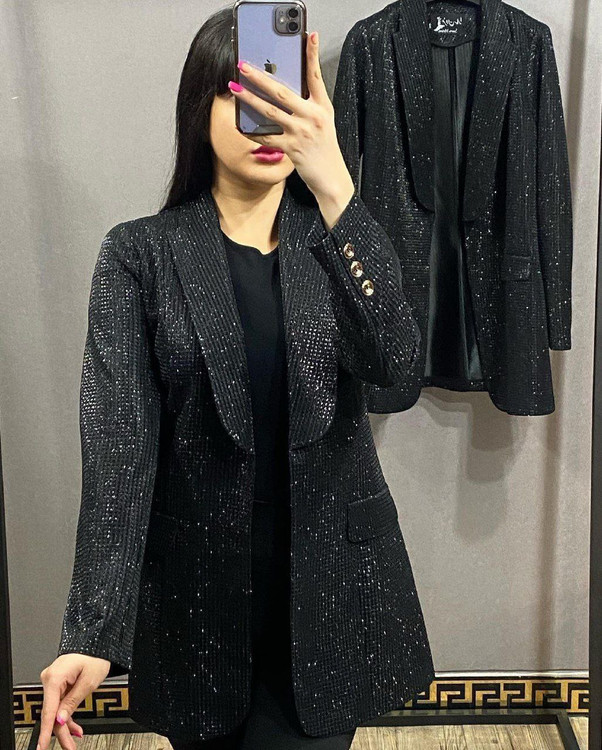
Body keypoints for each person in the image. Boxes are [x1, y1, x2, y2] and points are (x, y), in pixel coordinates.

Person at [38, 6, 434, 750]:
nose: (269, 121)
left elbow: (397, 371)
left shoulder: (337, 243)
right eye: (246, 97)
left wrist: (338, 189)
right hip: (198, 611)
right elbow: (120, 453)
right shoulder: (140, 257)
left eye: (286, 98)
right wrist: (91, 630)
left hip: (328, 600)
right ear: (200, 109)